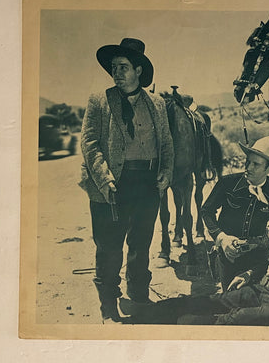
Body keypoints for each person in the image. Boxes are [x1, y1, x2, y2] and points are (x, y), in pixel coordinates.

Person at [120, 179, 269, 326]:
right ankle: (145, 313)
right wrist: (251, 274)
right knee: (212, 301)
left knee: (230, 320)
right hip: (266, 289)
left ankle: (165, 326)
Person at [79, 38, 173, 323]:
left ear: (139, 71)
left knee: (141, 243)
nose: (116, 73)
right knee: (108, 247)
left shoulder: (156, 103)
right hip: (111, 184)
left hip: (146, 183)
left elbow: (166, 144)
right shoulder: (99, 100)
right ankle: (108, 305)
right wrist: (105, 181)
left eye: (123, 67)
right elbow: (90, 143)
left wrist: (165, 173)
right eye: (113, 67)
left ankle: (139, 296)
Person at [201, 136, 269, 291]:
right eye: (248, 162)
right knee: (229, 298)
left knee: (253, 298)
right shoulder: (227, 183)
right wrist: (221, 238)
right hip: (228, 254)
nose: (248, 167)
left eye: (256, 164)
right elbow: (206, 211)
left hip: (258, 256)